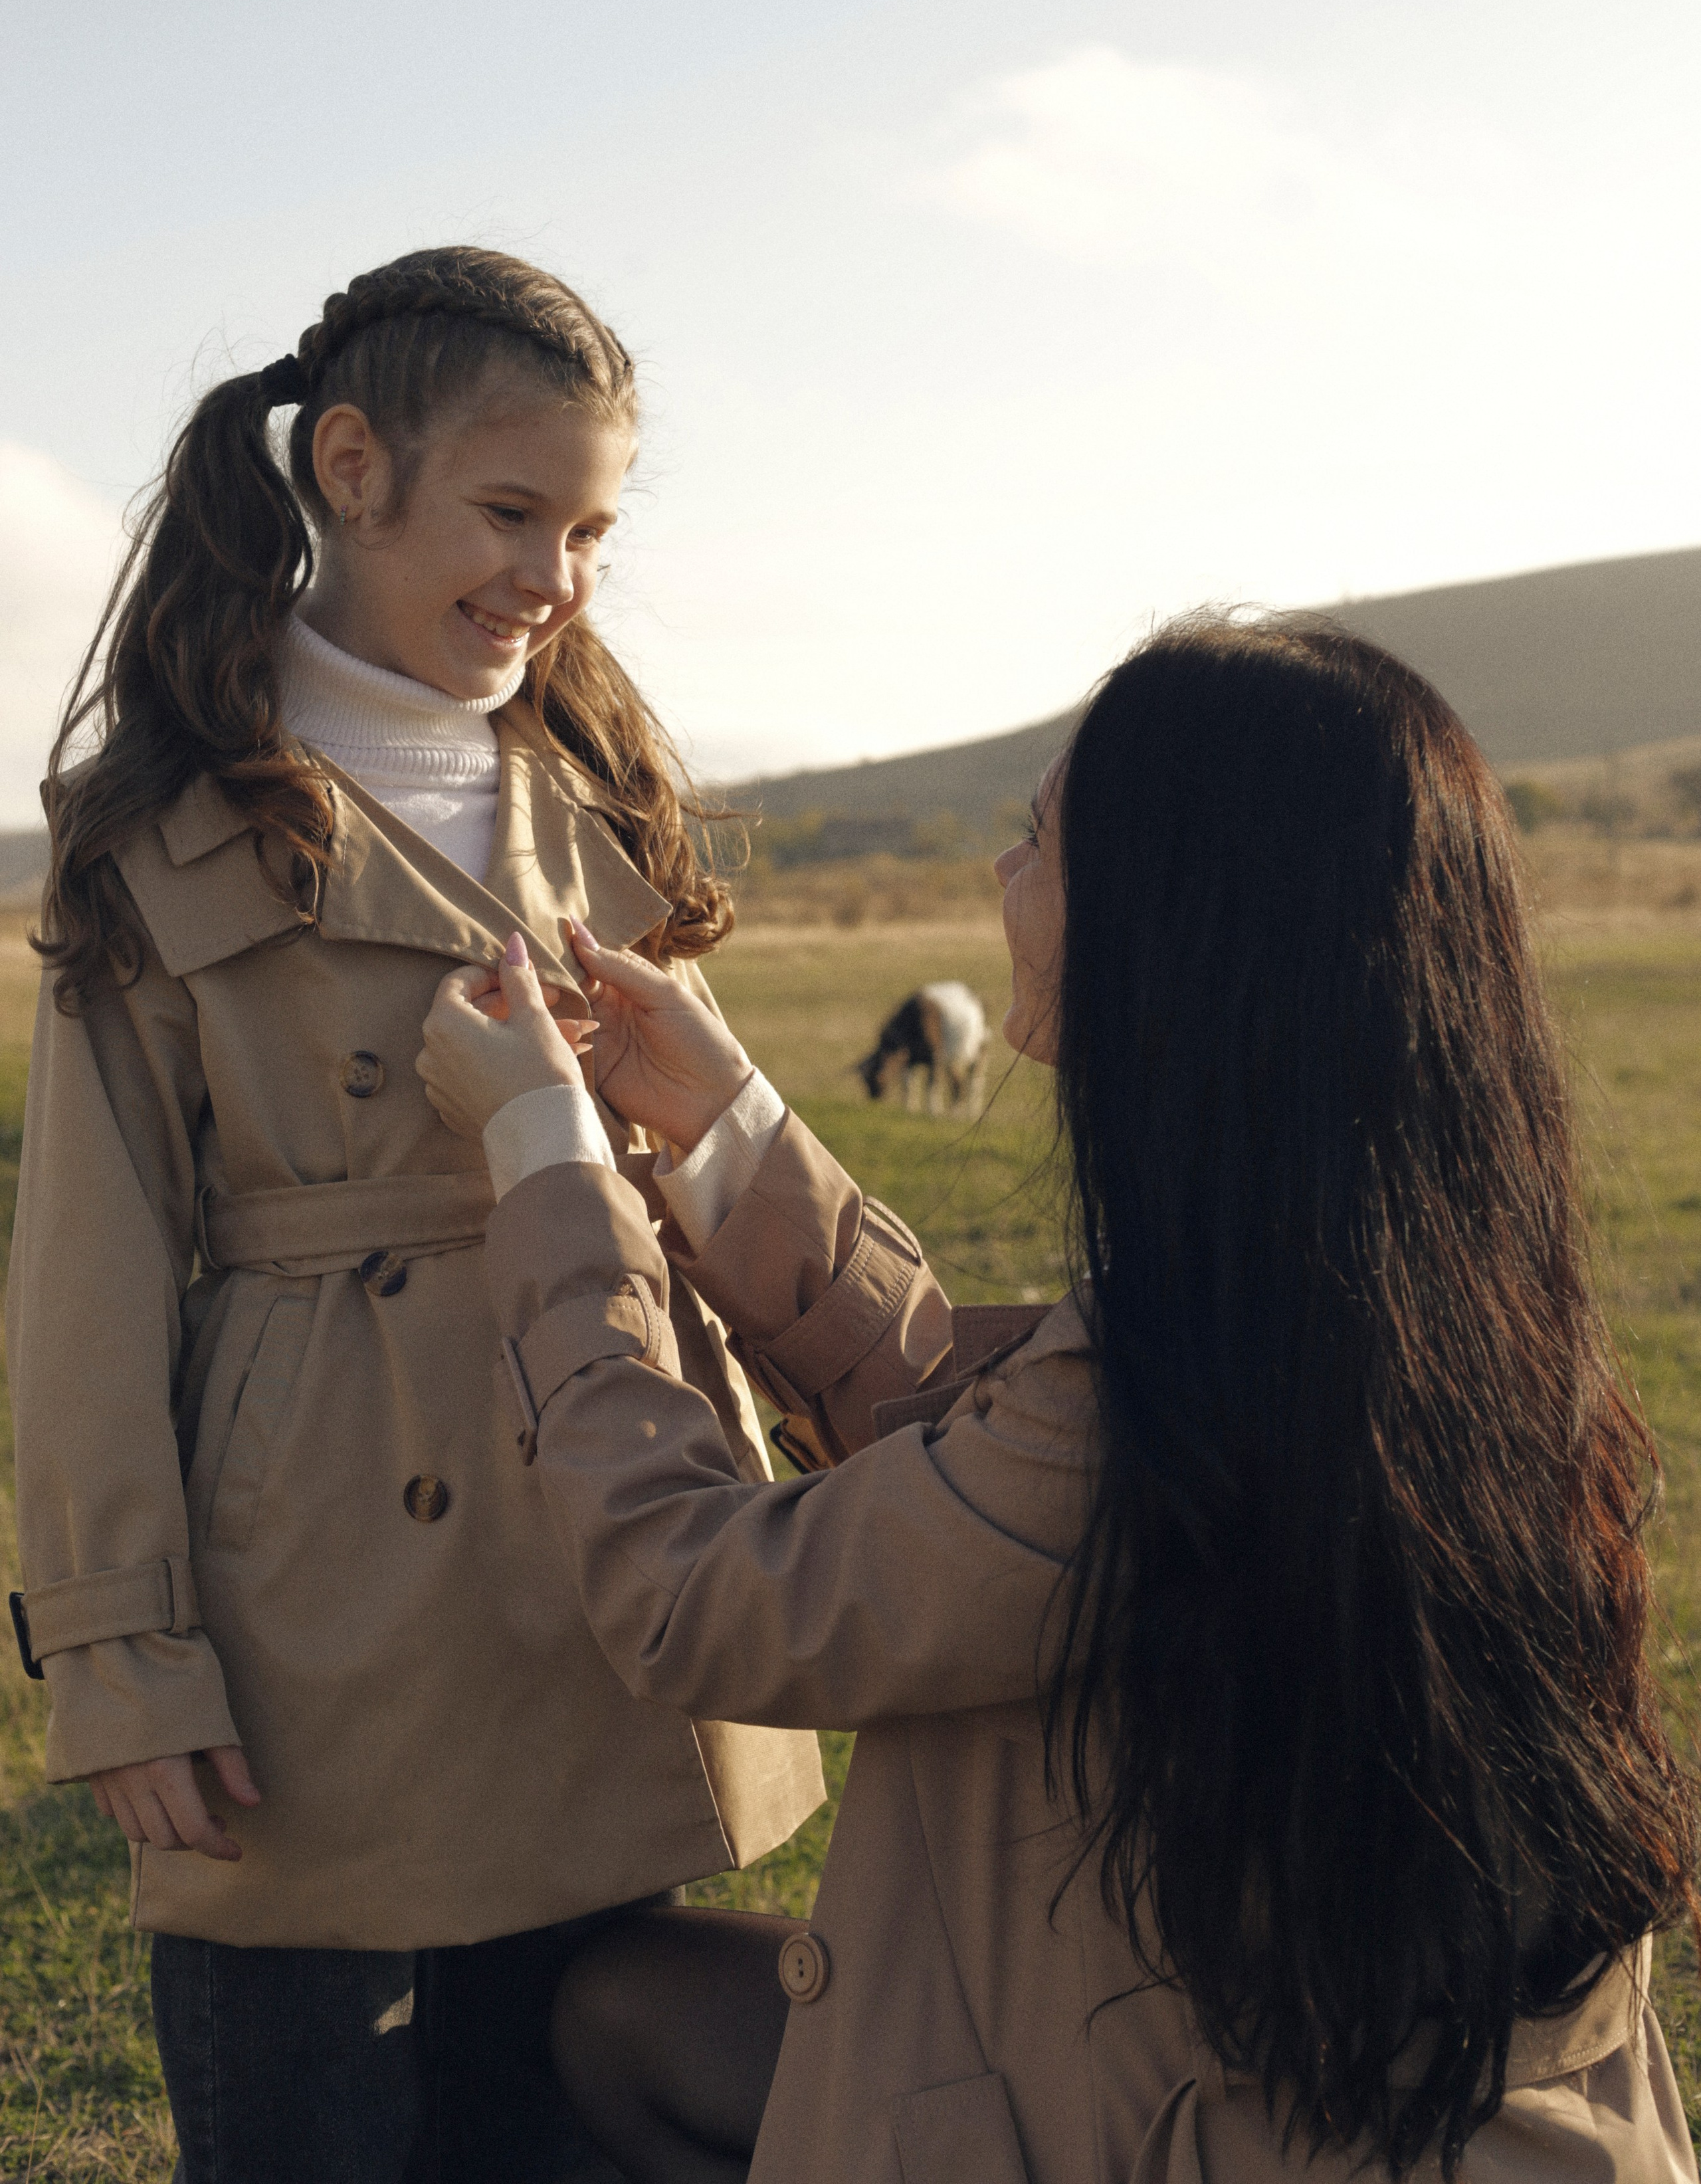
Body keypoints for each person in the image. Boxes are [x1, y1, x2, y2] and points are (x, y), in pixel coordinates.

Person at [417, 619, 1700, 2184]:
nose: (1001, 879)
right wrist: (728, 1137)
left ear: (1167, 932)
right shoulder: (1431, 1336)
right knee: (629, 2014)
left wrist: (549, 1170)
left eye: (1035, 837)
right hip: (1325, 2093)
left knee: (600, 2035)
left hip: (1192, 2119)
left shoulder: (1131, 1413)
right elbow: (991, 1475)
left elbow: (701, 1598)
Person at [5, 248, 825, 2183]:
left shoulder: (594, 797)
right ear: (352, 467)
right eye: (515, 512)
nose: (558, 578)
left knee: (573, 2120)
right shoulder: (163, 827)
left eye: (596, 531)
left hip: (604, 1546)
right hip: (322, 1603)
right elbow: (90, 1282)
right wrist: (122, 1650)